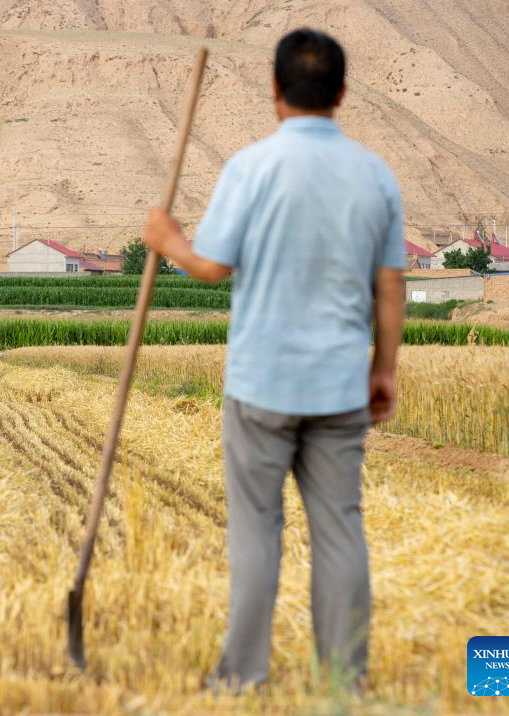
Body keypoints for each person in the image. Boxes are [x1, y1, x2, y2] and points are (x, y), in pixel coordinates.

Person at [143, 28, 405, 690]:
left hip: (261, 384)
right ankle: (345, 681)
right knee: (340, 529)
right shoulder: (375, 176)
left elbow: (211, 265)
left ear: (274, 91)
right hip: (341, 384)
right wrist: (383, 369)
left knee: (256, 531)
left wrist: (167, 240)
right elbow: (391, 284)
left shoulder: (251, 168)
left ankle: (241, 677)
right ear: (341, 94)